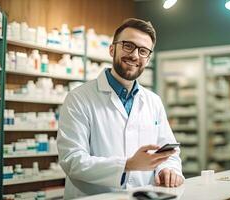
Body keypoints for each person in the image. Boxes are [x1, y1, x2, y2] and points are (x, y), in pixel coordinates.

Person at [57, 18, 184, 199]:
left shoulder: (153, 101)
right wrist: (127, 165)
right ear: (112, 49)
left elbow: (169, 152)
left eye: (143, 51)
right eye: (128, 46)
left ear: (148, 59)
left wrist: (168, 169)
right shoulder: (79, 98)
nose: (134, 55)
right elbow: (72, 160)